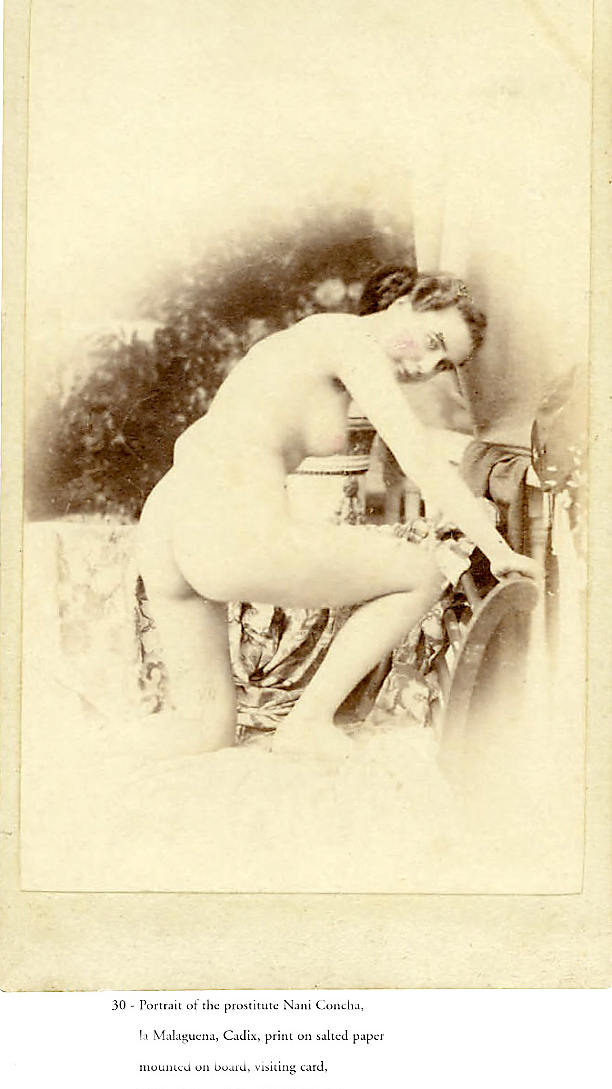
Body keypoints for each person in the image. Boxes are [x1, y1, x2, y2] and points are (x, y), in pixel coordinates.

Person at [137, 267, 538, 754]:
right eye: (432, 342)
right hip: (222, 522)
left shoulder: (317, 343)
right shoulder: (349, 339)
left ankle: (80, 768)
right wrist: (498, 550)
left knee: (206, 732)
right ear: (403, 305)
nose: (426, 365)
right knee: (422, 571)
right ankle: (307, 723)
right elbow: (419, 458)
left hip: (171, 518)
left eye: (441, 365)